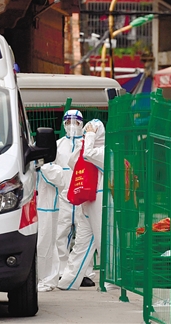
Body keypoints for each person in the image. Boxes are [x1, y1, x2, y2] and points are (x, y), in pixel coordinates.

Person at [37, 109, 86, 290]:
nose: (72, 126)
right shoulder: (58, 145)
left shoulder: (86, 145)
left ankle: (85, 272)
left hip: (82, 194)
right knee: (60, 234)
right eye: (68, 122)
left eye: (76, 122)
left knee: (83, 234)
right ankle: (61, 271)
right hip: (62, 195)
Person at [58, 118, 105, 290]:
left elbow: (88, 155)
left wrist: (89, 137)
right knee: (82, 243)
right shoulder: (87, 147)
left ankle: (111, 281)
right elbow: (73, 161)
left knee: (102, 240)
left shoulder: (105, 151)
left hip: (100, 198)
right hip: (89, 199)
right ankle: (68, 281)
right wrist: (82, 143)